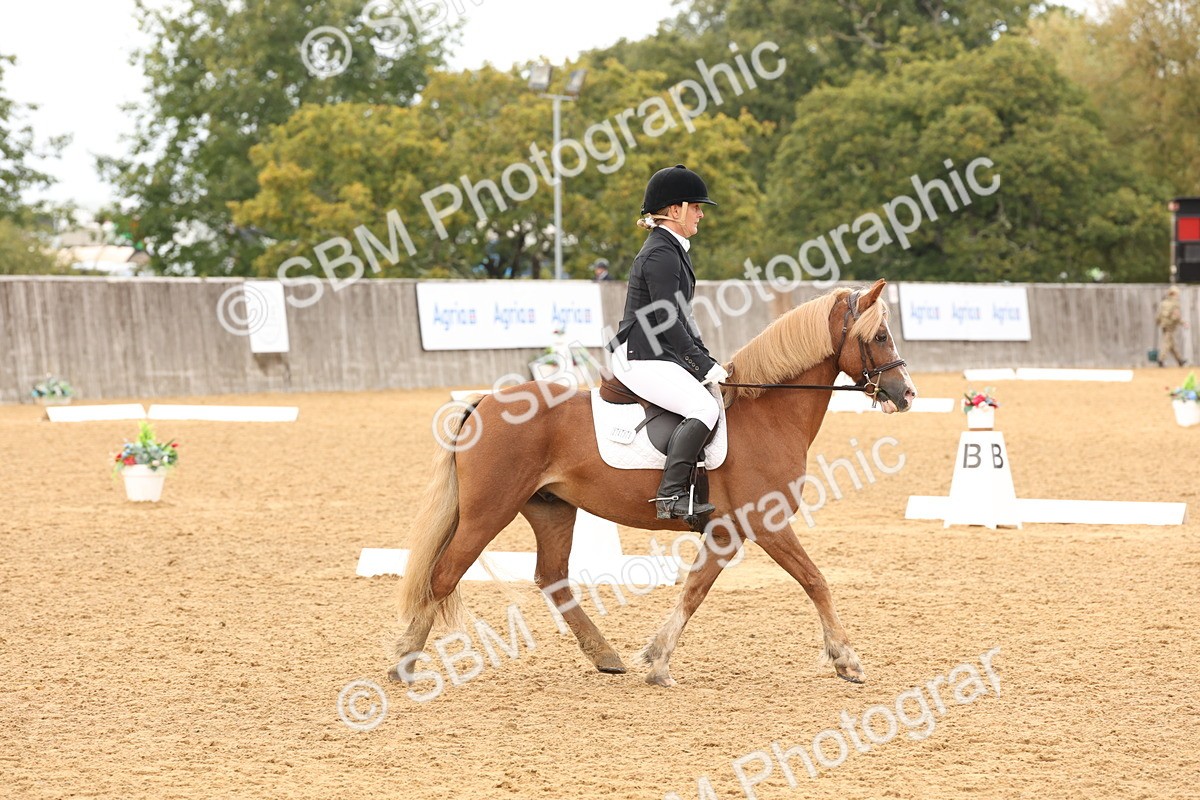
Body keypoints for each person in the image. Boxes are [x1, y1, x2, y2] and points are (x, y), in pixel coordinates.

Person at [607, 165, 725, 520]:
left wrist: (707, 359)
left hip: (658, 355)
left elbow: (683, 319)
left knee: (709, 396)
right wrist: (703, 367)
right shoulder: (661, 253)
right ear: (675, 211)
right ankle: (670, 496)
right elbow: (666, 320)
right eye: (696, 207)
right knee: (705, 408)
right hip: (641, 357)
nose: (702, 214)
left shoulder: (673, 249)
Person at [1156, 285, 1187, 367]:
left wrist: (1158, 322)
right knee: (1167, 343)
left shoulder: (1164, 303)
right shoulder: (1175, 303)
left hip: (1164, 325)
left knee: (1171, 344)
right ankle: (1160, 360)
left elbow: (1158, 315)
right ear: (1174, 294)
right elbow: (1176, 316)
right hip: (1170, 326)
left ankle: (1180, 360)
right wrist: (1183, 322)